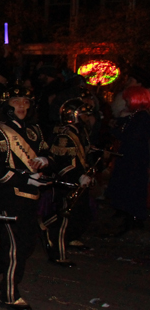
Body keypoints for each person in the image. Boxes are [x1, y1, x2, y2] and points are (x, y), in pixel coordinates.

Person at [0, 85, 50, 310]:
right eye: (17, 101)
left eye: (26, 101)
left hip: (31, 197)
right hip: (9, 197)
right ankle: (9, 294)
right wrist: (26, 180)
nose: (22, 105)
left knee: (27, 246)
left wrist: (45, 161)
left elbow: (49, 154)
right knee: (14, 247)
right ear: (6, 104)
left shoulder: (34, 130)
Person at [40, 98, 96, 267]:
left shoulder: (80, 132)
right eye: (84, 114)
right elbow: (63, 162)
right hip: (66, 181)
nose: (88, 118)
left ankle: (59, 232)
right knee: (63, 217)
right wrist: (78, 176)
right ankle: (58, 254)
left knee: (81, 213)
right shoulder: (65, 135)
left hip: (79, 180)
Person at [106, 85, 150, 234]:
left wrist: (114, 130)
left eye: (128, 99)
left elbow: (131, 138)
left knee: (133, 189)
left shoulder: (142, 117)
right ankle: (130, 217)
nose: (126, 103)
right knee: (129, 188)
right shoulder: (136, 116)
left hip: (135, 160)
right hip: (132, 158)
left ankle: (133, 218)